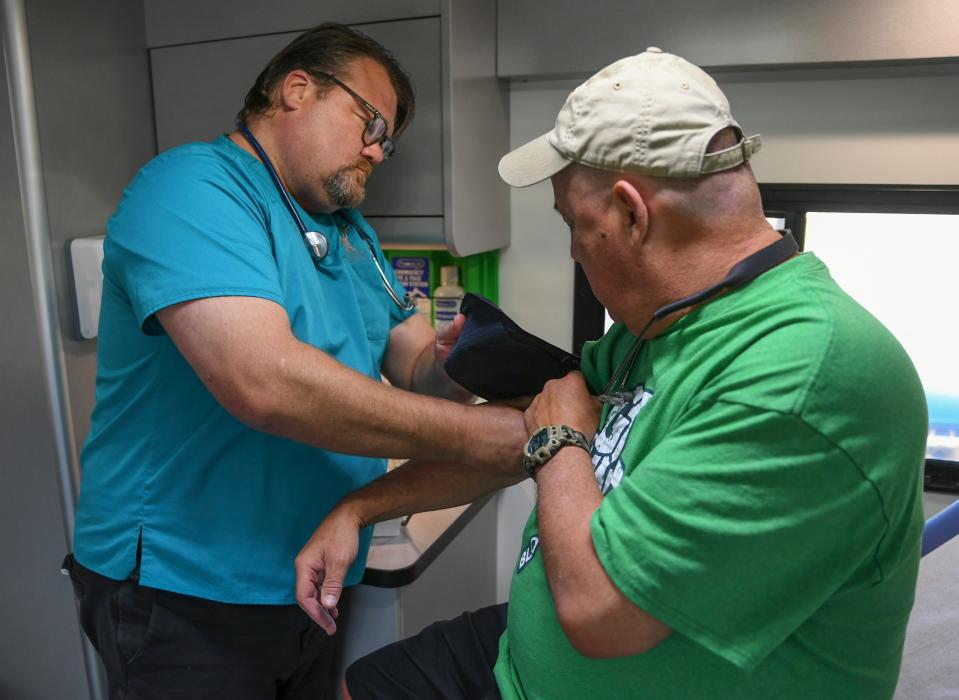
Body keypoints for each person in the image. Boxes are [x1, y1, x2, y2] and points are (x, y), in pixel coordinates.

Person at [295, 47, 929, 699]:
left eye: (574, 224)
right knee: (366, 686)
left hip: (598, 639)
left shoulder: (803, 376)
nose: (571, 249)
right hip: (528, 661)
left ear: (631, 214)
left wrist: (562, 442)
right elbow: (524, 430)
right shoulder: (662, 324)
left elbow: (602, 615)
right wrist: (362, 507)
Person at [63, 22, 527, 700]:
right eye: (369, 123)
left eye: (386, 140)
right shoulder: (191, 188)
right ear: (297, 89)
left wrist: (454, 363)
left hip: (309, 570)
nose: (378, 150)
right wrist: (479, 438)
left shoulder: (350, 231)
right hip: (186, 587)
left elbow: (414, 364)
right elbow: (264, 382)